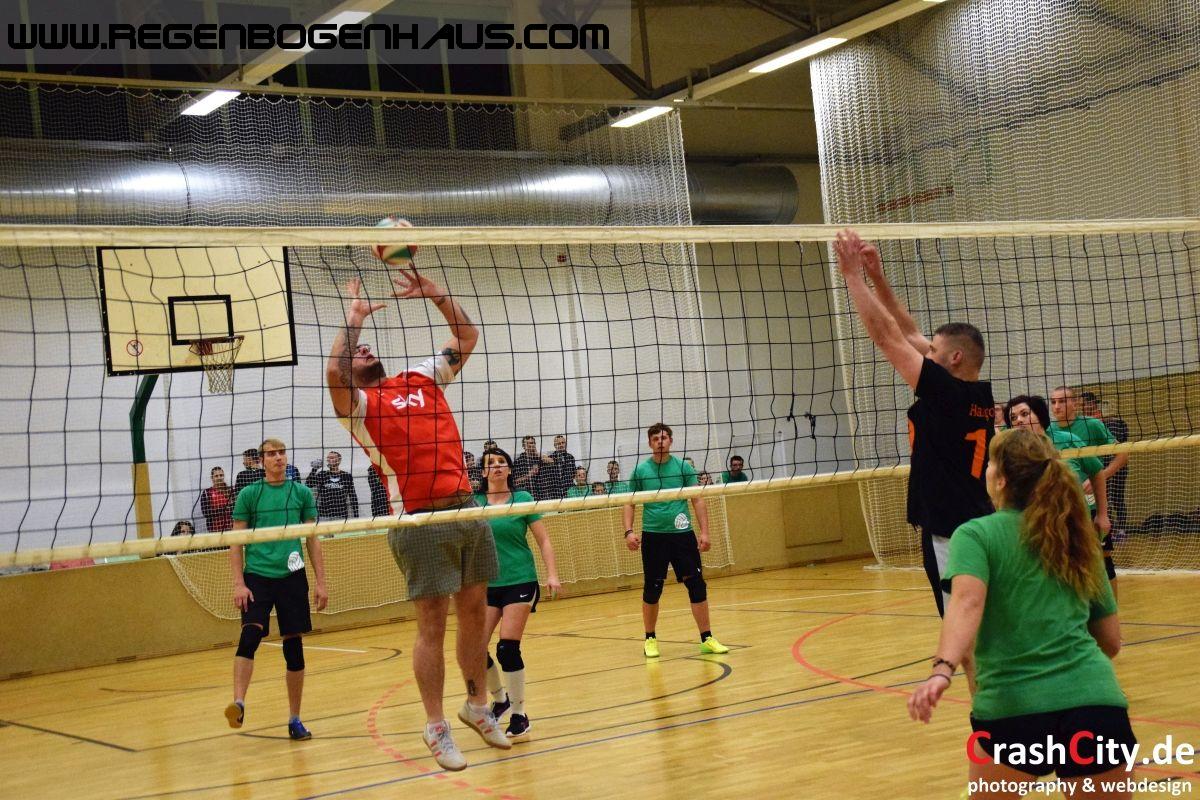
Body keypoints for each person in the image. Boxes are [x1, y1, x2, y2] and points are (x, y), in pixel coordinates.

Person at [326, 271, 509, 771]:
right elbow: (335, 373)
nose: (363, 351)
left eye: (364, 347)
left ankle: (476, 706)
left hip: (467, 509)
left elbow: (467, 336)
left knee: (475, 616)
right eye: (357, 351)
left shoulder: (421, 377)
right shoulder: (358, 407)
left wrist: (435, 295)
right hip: (418, 520)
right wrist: (354, 319)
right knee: (432, 624)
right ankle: (435, 725)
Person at [908, 429, 1132, 797]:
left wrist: (941, 671)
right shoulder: (1077, 536)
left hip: (1013, 709)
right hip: (1095, 703)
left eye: (990, 463)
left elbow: (966, 603)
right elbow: (1110, 642)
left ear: (1001, 479)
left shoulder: (975, 535)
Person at [834, 229, 994, 622]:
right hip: (976, 520)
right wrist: (878, 276)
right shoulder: (976, 393)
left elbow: (888, 338)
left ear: (955, 359)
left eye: (933, 351)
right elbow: (908, 333)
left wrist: (852, 275)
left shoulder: (946, 393)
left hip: (950, 530)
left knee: (962, 628)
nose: (925, 352)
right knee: (983, 621)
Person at [225, 438, 328, 741]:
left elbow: (312, 539)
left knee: (293, 649)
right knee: (250, 636)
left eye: (282, 453)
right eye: (271, 454)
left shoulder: (301, 492)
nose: (278, 458)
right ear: (262, 461)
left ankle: (295, 719)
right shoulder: (249, 494)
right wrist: (239, 583)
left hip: (292, 575)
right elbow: (236, 542)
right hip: (257, 576)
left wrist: (321, 582)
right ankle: (238, 703)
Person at [475, 447, 562, 742]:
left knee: (507, 649)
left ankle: (519, 715)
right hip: (487, 584)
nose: (497, 466)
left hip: (520, 579)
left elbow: (544, 540)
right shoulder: (475, 503)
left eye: (502, 462)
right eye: (491, 463)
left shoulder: (522, 499)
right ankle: (500, 700)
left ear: (510, 470)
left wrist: (552, 575)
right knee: (474, 649)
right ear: (483, 472)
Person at [623, 422, 729, 658]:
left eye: (663, 438)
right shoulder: (640, 471)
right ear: (649, 443)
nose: (660, 442)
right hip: (654, 536)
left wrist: (705, 532)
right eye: (655, 439)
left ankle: (707, 638)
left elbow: (697, 499)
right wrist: (628, 532)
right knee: (653, 588)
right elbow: (629, 502)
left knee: (696, 584)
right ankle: (650, 639)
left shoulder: (683, 467)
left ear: (670, 440)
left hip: (682, 535)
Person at [1007, 395, 1114, 586]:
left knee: (1095, 577)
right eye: (1013, 418)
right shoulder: (1012, 451)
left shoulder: (1067, 440)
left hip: (1075, 524)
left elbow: (1096, 472)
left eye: (1024, 414)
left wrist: (1102, 514)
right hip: (1036, 529)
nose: (1019, 420)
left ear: (1039, 416)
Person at [1051, 386, 1126, 586]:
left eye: (1062, 401)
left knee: (1103, 560)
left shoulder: (1091, 425)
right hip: (1062, 508)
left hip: (1091, 505)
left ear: (1075, 403)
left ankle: (1111, 605)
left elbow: (1122, 454)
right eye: (1053, 402)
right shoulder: (1048, 431)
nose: (1057, 406)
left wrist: (1100, 477)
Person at [1081, 391, 1131, 538]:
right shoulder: (1083, 423)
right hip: (1098, 465)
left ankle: (1121, 530)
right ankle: (1110, 530)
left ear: (1092, 403)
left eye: (1084, 404)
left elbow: (1120, 445)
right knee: (1102, 498)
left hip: (1114, 465)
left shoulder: (1105, 422)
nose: (1082, 407)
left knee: (1117, 497)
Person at [305, 451, 360, 520]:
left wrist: (356, 515)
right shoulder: (322, 474)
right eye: (328, 458)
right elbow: (308, 484)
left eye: (332, 458)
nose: (329, 460)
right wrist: (314, 469)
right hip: (324, 515)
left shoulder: (346, 476)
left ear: (339, 460)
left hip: (341, 515)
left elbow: (353, 496)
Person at [513, 436, 554, 501]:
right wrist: (529, 475)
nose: (531, 445)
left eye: (532, 443)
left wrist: (536, 454)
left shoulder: (541, 458)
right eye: (528, 444)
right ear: (523, 446)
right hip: (527, 494)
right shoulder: (518, 461)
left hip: (543, 494)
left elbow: (552, 462)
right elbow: (515, 482)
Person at [200, 466, 234, 532]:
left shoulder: (230, 491)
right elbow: (205, 513)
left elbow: (235, 508)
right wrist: (224, 509)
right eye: (216, 476)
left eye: (221, 475)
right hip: (215, 530)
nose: (219, 478)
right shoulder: (207, 493)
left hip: (231, 528)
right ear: (212, 478)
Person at [549, 434, 577, 499]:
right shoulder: (550, 458)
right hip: (555, 492)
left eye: (563, 443)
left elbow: (573, 473)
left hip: (569, 490)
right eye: (559, 443)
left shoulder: (570, 457)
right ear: (555, 445)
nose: (561, 445)